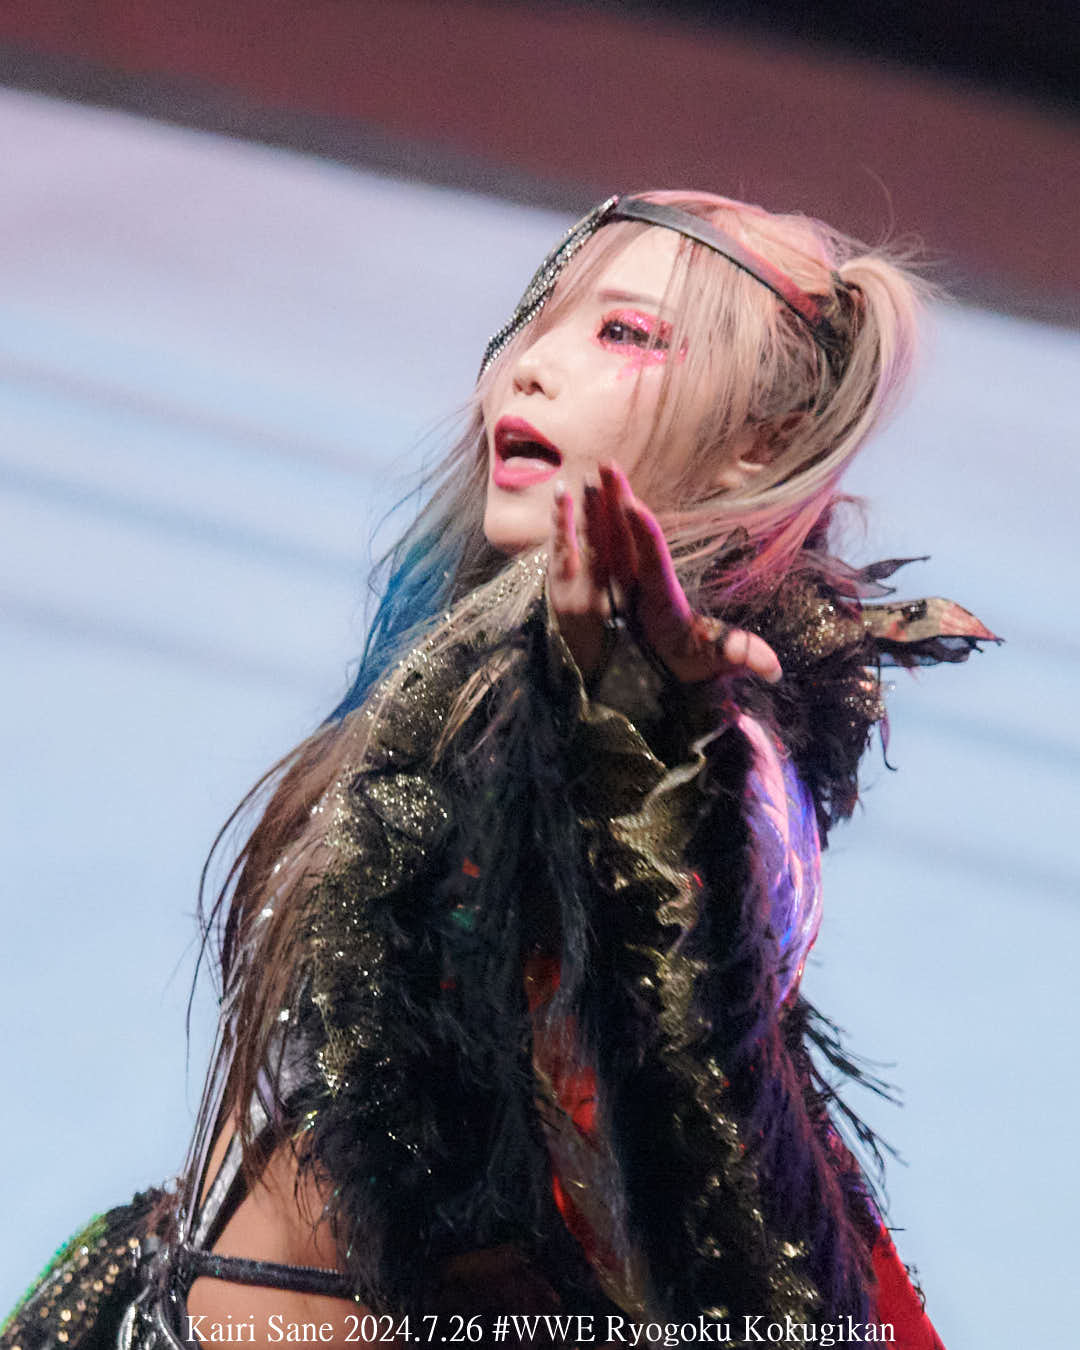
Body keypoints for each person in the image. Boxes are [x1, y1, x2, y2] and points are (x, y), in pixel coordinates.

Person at [3, 191, 999, 1350]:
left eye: (624, 333)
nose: (528, 366)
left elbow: (687, 1057)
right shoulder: (469, 659)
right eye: (539, 318)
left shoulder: (722, 748)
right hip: (157, 1299)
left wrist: (646, 762)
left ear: (759, 445)